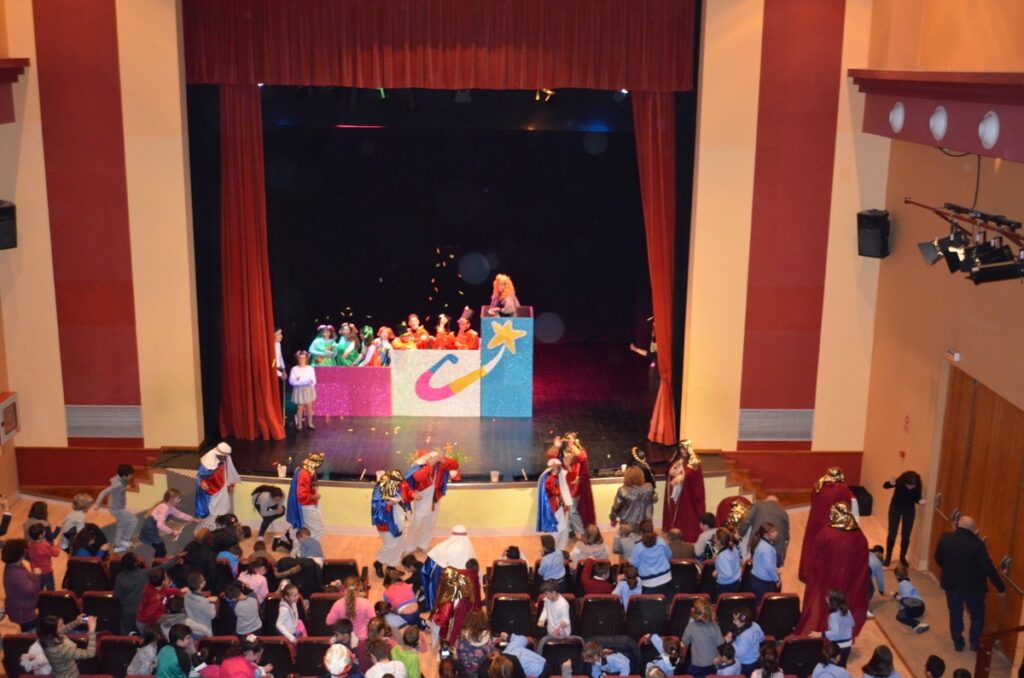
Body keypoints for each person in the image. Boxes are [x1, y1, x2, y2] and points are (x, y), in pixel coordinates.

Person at [934, 514, 1005, 651]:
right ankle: (975, 643)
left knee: (955, 613)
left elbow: (938, 558)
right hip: (974, 587)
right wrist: (1000, 587)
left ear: (958, 524)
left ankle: (958, 642)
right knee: (977, 615)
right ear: (973, 528)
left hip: (952, 583)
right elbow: (987, 568)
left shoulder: (946, 538)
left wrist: (948, 568)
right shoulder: (977, 544)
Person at [797, 502, 869, 637]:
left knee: (824, 606)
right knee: (844, 607)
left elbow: (817, 558)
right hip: (849, 580)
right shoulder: (859, 535)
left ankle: (823, 631)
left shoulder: (826, 533)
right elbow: (862, 562)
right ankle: (842, 633)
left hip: (827, 579)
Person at [799, 467, 853, 583]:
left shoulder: (819, 485)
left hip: (815, 521)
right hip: (830, 524)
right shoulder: (842, 489)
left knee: (811, 546)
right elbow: (845, 507)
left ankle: (808, 573)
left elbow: (813, 500)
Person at [404, 450, 461, 554]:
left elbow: (455, 465)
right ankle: (409, 547)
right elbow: (418, 477)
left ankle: (423, 545)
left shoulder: (441, 465)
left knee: (430, 523)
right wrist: (429, 465)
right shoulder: (420, 466)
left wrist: (443, 459)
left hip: (435, 498)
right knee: (416, 524)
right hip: (421, 498)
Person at [421, 525, 477, 608]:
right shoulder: (469, 550)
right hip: (462, 591)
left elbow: (426, 570)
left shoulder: (440, 548)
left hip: (443, 587)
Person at [372, 469, 413, 578]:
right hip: (385, 522)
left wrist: (412, 495)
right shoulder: (379, 489)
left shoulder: (398, 486)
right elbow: (376, 506)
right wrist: (389, 504)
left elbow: (405, 496)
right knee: (390, 545)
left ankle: (391, 566)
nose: (399, 484)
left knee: (399, 544)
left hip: (399, 520)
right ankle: (379, 562)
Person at [662, 440, 706, 540]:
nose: (682, 451)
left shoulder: (694, 461)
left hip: (688, 494)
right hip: (677, 494)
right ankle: (673, 530)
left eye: (684, 448)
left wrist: (682, 477)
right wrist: (674, 475)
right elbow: (671, 471)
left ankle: (685, 532)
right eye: (680, 448)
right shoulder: (678, 459)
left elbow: (692, 476)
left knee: (685, 514)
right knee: (676, 513)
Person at [883, 470, 925, 567]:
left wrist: (919, 501)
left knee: (906, 534)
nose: (910, 487)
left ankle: (902, 557)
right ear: (904, 482)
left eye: (912, 486)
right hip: (895, 508)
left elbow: (917, 498)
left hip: (909, 509)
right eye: (908, 485)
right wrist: (890, 483)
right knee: (892, 532)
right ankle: (888, 557)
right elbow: (885, 486)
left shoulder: (917, 486)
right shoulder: (900, 481)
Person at [140, 488, 197, 558]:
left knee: (157, 543)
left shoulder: (168, 506)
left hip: (151, 525)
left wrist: (194, 519)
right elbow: (160, 525)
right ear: (170, 500)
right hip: (150, 527)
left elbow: (180, 514)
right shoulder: (165, 508)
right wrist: (173, 532)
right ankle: (157, 562)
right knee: (162, 550)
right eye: (178, 498)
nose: (180, 500)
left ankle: (144, 538)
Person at [194, 442, 240, 528]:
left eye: (225, 456)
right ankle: (212, 526)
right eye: (223, 456)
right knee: (213, 512)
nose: (225, 458)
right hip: (212, 492)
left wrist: (231, 485)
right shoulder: (207, 462)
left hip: (222, 489)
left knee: (223, 508)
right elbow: (199, 476)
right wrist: (201, 483)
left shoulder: (224, 459)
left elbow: (228, 472)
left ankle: (222, 522)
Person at [38, 613, 98, 678]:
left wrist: (77, 622)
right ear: (53, 631)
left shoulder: (46, 639)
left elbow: (62, 630)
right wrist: (91, 630)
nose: (64, 626)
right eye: (61, 626)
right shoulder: (61, 650)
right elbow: (90, 653)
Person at [95, 463, 138, 552]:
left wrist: (126, 487)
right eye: (130, 476)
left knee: (121, 525)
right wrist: (97, 504)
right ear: (124, 476)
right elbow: (103, 492)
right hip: (117, 508)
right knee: (133, 520)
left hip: (116, 507)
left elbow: (116, 483)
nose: (131, 477)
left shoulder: (120, 479)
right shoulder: (118, 484)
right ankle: (125, 540)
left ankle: (118, 546)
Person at [3, 538, 42, 631]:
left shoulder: (14, 565)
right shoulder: (17, 574)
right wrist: (37, 576)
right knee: (31, 634)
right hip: (24, 613)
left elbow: (27, 578)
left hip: (20, 608)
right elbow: (31, 590)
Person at [739, 494, 790, 565]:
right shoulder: (784, 513)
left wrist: (740, 534)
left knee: (757, 567)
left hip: (758, 545)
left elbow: (747, 521)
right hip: (776, 550)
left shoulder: (758, 505)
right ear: (777, 503)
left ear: (766, 500)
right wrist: (782, 557)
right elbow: (787, 538)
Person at [432, 565, 478, 644]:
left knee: (452, 635)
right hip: (467, 617)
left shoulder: (449, 598)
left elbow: (443, 618)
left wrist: (435, 616)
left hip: (456, 621)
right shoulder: (465, 581)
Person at [287, 451, 325, 542]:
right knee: (317, 529)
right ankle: (310, 548)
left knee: (305, 529)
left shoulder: (307, 471)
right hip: (306, 505)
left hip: (309, 504)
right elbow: (302, 495)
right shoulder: (305, 473)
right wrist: (313, 497)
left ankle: (302, 549)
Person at [681, 598, 723, 678]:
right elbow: (721, 645)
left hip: (697, 666)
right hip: (712, 665)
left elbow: (684, 642)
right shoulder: (715, 626)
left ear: (694, 611)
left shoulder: (691, 627)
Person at [537, 458, 574, 551]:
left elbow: (571, 477)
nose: (557, 469)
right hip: (555, 509)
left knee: (564, 530)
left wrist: (568, 466)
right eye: (555, 467)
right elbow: (554, 490)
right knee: (556, 531)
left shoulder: (560, 476)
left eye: (558, 467)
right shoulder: (548, 479)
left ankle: (561, 550)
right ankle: (553, 550)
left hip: (562, 508)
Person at [630, 522, 673, 597]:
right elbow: (669, 555)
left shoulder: (638, 547)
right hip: (666, 579)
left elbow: (635, 563)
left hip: (648, 583)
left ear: (641, 532)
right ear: (653, 529)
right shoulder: (661, 541)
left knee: (650, 604)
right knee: (667, 603)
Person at [328, 575, 375, 641]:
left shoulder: (338, 604)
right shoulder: (366, 603)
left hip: (345, 640)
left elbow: (329, 622)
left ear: (345, 588)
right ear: (359, 588)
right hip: (363, 639)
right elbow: (374, 621)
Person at [610, 466, 655, 530]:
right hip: (645, 524)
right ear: (641, 476)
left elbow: (616, 507)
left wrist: (613, 518)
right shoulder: (649, 488)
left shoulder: (622, 490)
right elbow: (652, 501)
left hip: (627, 525)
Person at [456, 608, 496, 677]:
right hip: (484, 673)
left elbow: (459, 655)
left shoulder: (462, 638)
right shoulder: (489, 638)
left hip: (466, 673)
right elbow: (491, 656)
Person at [749, 522, 781, 604]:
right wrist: (777, 579)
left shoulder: (763, 543)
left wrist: (775, 569)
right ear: (766, 534)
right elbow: (769, 567)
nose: (776, 533)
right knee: (763, 605)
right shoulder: (767, 549)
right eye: (773, 532)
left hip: (757, 579)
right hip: (762, 583)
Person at [892, 564, 930, 633]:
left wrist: (896, 597)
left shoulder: (903, 584)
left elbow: (907, 600)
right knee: (902, 611)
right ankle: (918, 625)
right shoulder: (908, 582)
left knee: (900, 616)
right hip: (920, 607)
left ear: (897, 577)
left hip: (916, 607)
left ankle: (917, 624)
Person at [821, 590, 854, 667]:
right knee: (842, 665)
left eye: (828, 597)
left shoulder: (833, 616)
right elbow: (852, 624)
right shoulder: (848, 612)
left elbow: (834, 632)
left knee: (831, 666)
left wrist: (820, 634)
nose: (826, 598)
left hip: (837, 646)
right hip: (848, 645)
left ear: (833, 602)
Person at [727, 609, 765, 675]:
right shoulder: (755, 625)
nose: (733, 621)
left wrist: (731, 642)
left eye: (735, 620)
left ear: (743, 623)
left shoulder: (744, 636)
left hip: (745, 664)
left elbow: (739, 653)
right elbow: (762, 638)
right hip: (755, 658)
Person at [290, 350, 318, 430]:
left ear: (306, 359)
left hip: (308, 389)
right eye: (300, 358)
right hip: (299, 390)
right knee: (300, 408)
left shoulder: (310, 368)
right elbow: (291, 381)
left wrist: (311, 382)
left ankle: (310, 424)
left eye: (303, 358)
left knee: (309, 407)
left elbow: (313, 379)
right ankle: (299, 425)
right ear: (297, 359)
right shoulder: (294, 369)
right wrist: (297, 381)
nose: (302, 360)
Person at [27, 523, 60, 591]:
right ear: (41, 535)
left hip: (35, 571)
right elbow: (56, 553)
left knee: (39, 588)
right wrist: (57, 546)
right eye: (44, 531)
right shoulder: (45, 545)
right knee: (50, 588)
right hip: (46, 571)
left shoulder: (29, 545)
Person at [184, 571, 217, 638]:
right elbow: (212, 615)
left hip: (191, 627)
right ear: (201, 585)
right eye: (203, 579)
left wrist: (207, 600)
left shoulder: (187, 595)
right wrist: (212, 603)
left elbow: (196, 602)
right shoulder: (203, 601)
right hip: (203, 631)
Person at [713, 528, 742, 594]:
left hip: (726, 586)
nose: (714, 539)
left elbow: (727, 574)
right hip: (736, 582)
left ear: (719, 542)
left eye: (715, 537)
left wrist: (717, 575)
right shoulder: (733, 548)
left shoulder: (722, 556)